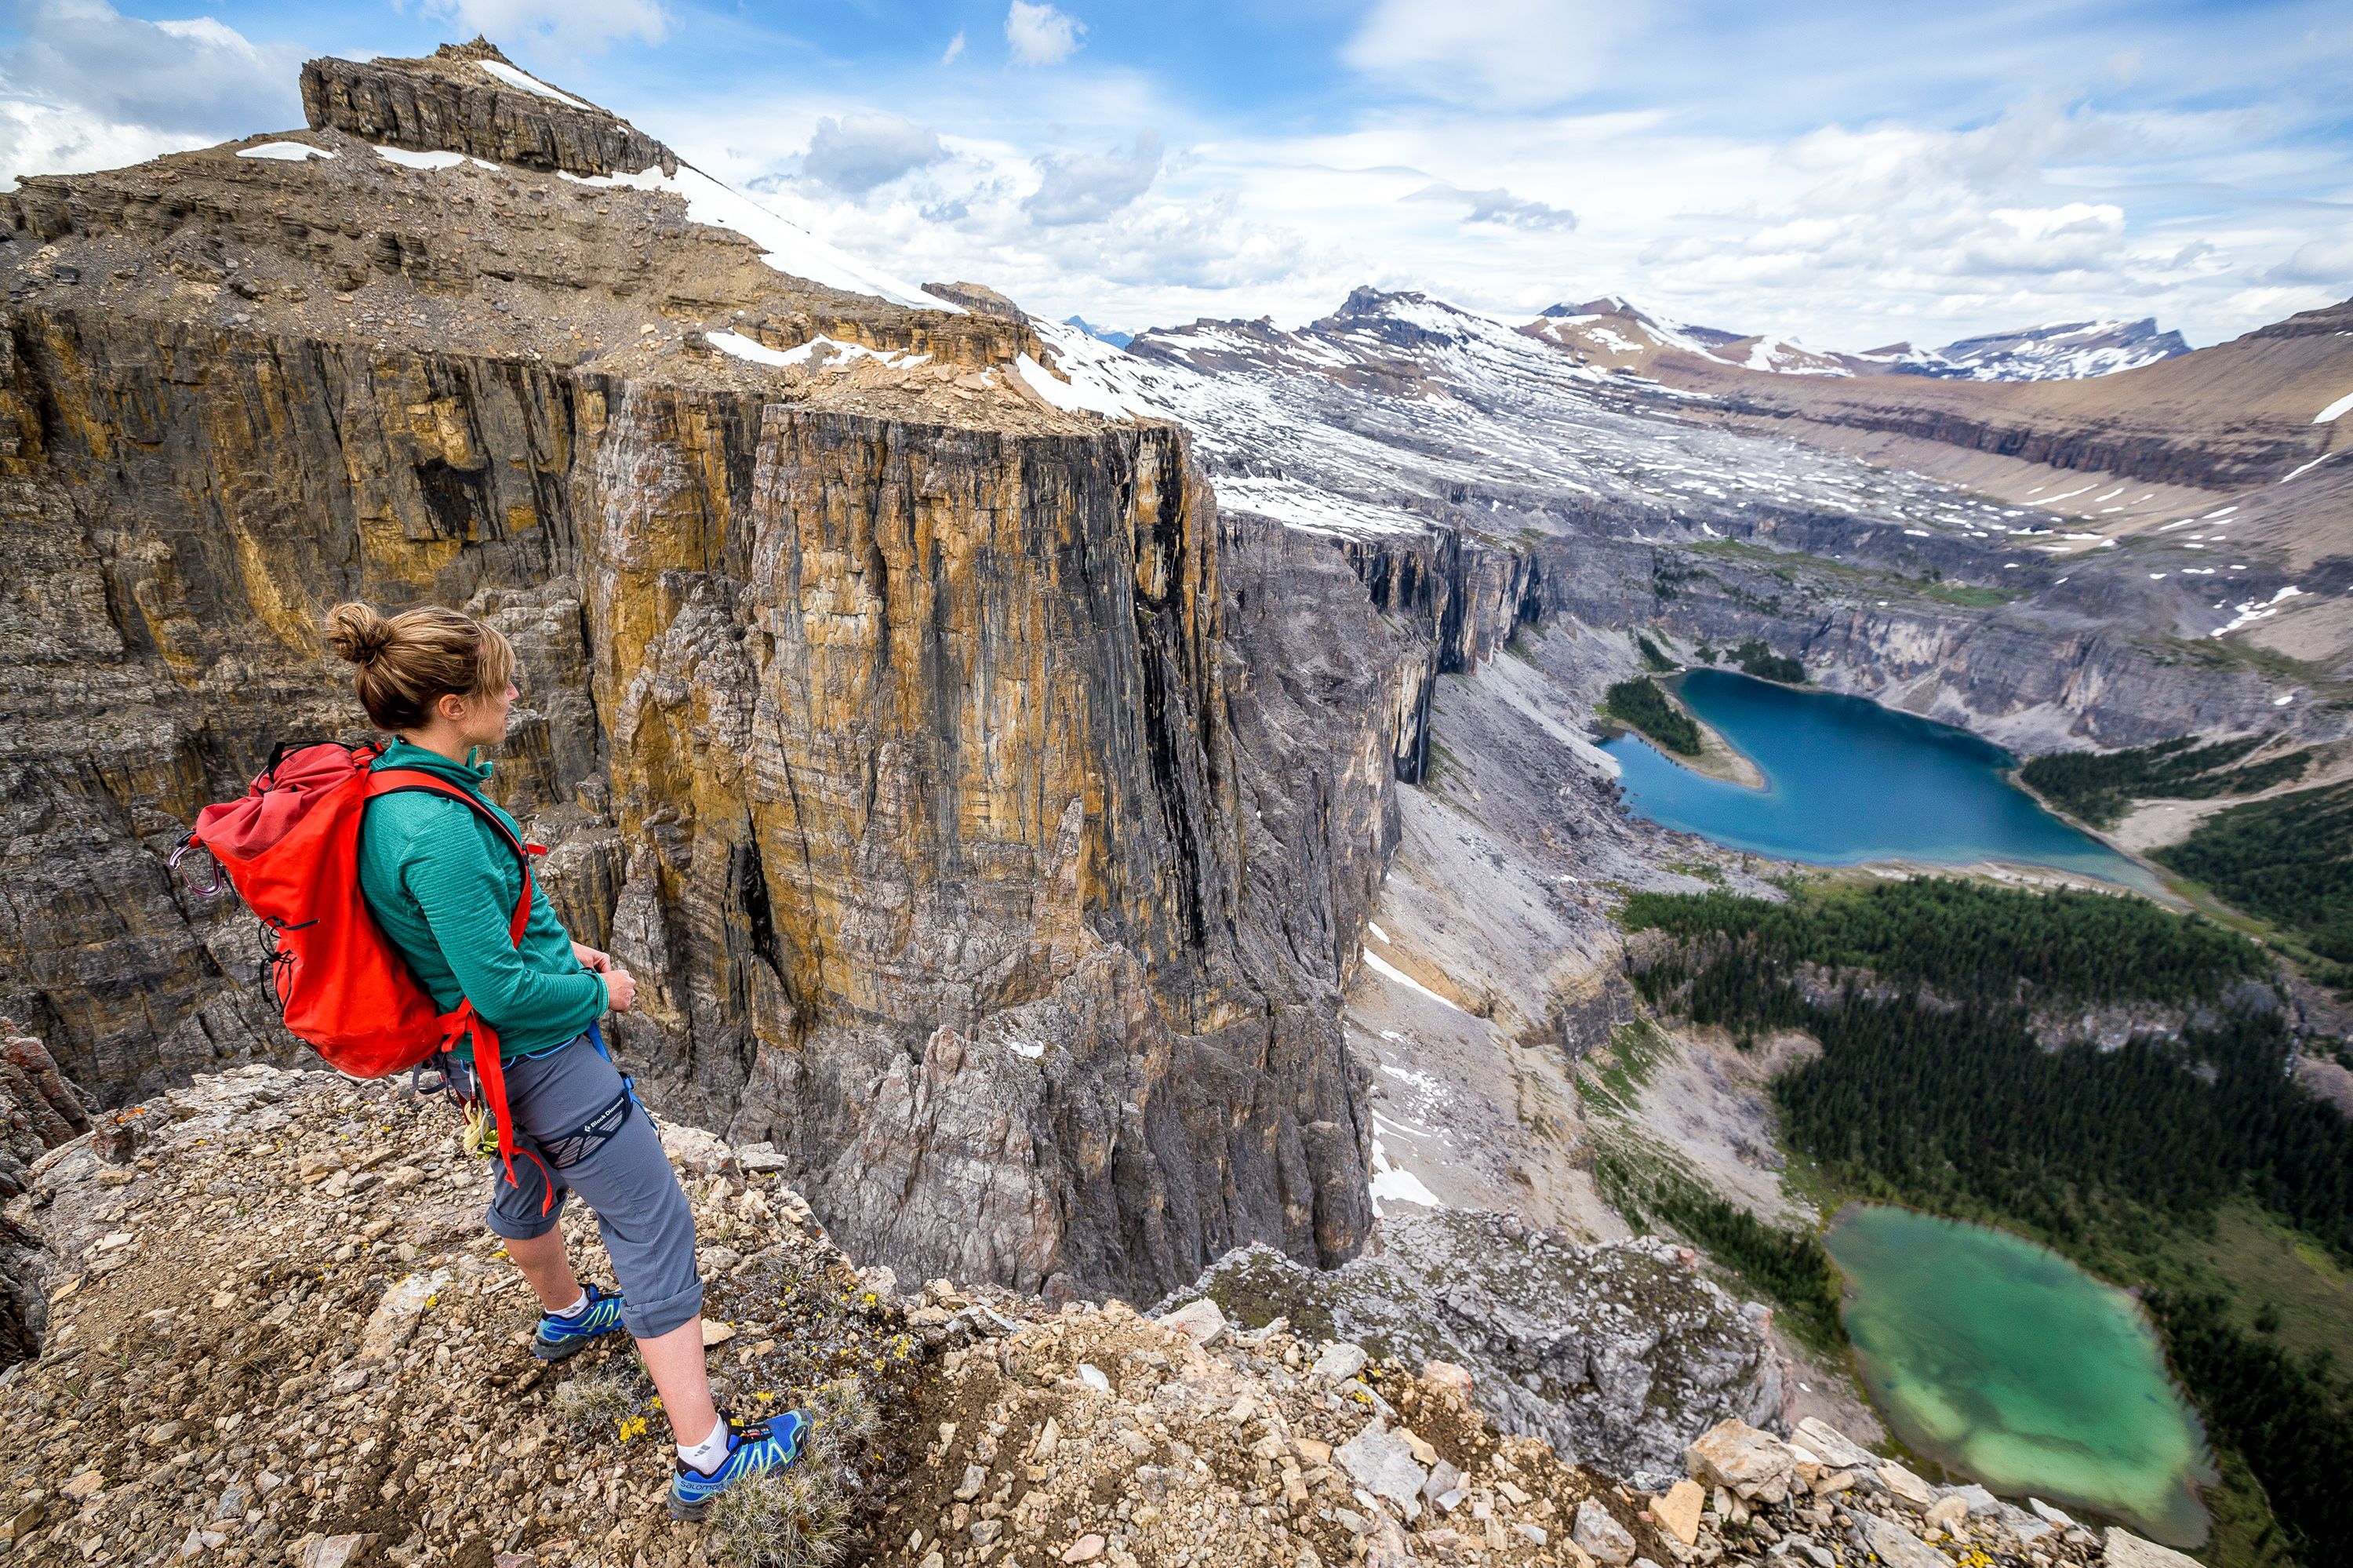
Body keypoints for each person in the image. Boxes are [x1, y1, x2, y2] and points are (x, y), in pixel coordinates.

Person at [324, 600, 804, 1521]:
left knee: (524, 1173)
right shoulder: (438, 831)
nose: (514, 692)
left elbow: (468, 950)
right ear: (452, 705)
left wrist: (559, 953)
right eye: (497, 683)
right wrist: (600, 994)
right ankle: (708, 1455)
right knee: (655, 1225)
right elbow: (501, 992)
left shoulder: (396, 789)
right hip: (541, 1059)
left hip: (487, 1065)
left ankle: (567, 1312)